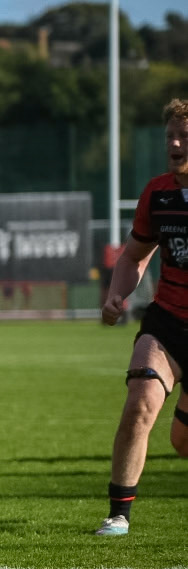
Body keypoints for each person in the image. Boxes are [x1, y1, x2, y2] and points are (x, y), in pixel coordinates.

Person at [94, 99, 188, 536]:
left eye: (184, 135)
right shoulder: (157, 193)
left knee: (181, 442)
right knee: (140, 403)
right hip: (167, 319)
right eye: (170, 134)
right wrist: (117, 296)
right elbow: (135, 255)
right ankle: (119, 514)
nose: (174, 142)